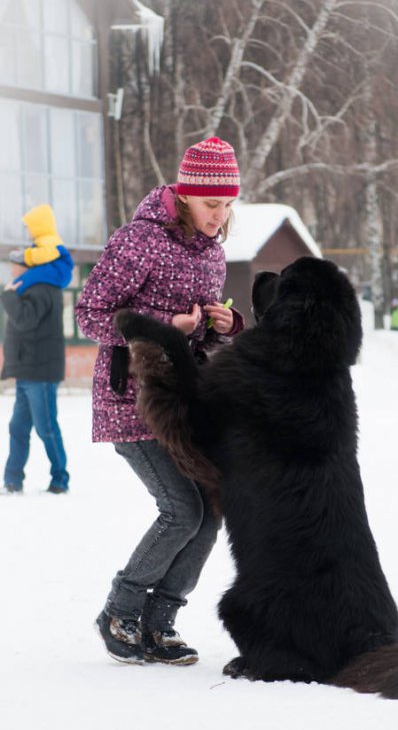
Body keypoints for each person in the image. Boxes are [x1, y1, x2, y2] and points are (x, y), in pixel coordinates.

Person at [75, 136, 244, 666]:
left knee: (210, 511)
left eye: (227, 205)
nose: (220, 215)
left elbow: (202, 341)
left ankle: (160, 620)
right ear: (187, 196)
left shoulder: (212, 253)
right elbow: (89, 315)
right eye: (211, 204)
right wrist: (162, 329)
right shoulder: (139, 241)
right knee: (181, 510)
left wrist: (224, 325)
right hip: (132, 400)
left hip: (184, 402)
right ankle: (120, 611)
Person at [1, 204, 73, 495]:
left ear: (26, 267)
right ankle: (12, 480)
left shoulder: (40, 288)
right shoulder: (29, 288)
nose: (11, 269)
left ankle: (60, 479)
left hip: (40, 372)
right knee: (18, 428)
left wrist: (7, 297)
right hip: (27, 370)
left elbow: (25, 321)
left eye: (14, 265)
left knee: (46, 429)